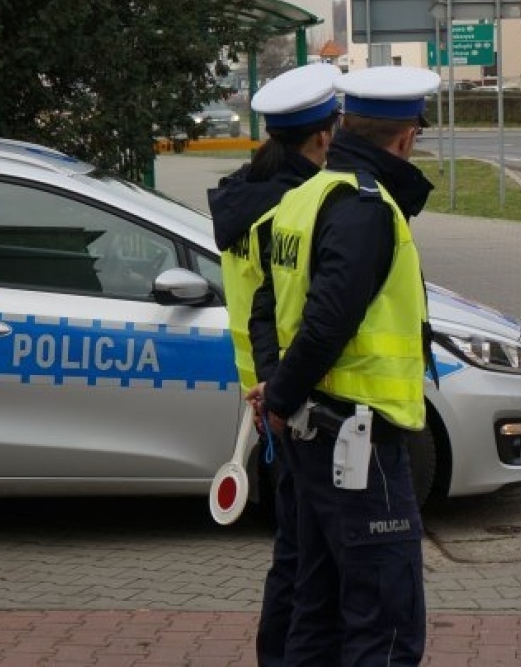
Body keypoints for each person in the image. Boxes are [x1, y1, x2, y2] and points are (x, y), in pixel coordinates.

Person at [250, 65, 439, 667]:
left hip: (314, 431)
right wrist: (278, 398)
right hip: (358, 441)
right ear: (407, 137)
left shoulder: (303, 198)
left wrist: (278, 392)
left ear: (341, 128)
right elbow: (328, 322)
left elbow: (267, 308)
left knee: (319, 608)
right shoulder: (364, 207)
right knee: (384, 622)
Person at [206, 63, 340, 667]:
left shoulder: (247, 188)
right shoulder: (289, 202)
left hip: (261, 385)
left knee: (292, 547)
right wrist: (280, 391)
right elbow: (277, 306)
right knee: (300, 553)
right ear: (321, 137)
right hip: (287, 390)